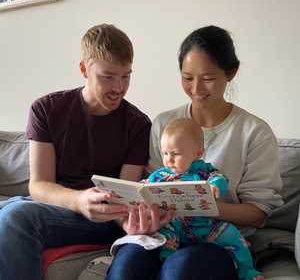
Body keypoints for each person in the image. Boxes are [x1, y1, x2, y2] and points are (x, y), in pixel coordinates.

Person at [108, 25, 283, 280]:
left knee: (179, 270)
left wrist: (202, 205)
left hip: (218, 240)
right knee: (126, 266)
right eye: (187, 78)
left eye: (208, 78)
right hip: (165, 232)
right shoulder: (164, 124)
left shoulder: (254, 132)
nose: (197, 89)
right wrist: (144, 214)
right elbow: (153, 187)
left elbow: (258, 213)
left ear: (231, 72)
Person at [0, 23, 170, 280]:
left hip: (105, 218)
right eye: (108, 76)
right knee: (10, 209)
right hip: (60, 206)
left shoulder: (138, 124)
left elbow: (126, 196)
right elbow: (39, 186)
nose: (119, 87)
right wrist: (79, 200)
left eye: (126, 76)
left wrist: (130, 224)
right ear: (84, 69)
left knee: (15, 216)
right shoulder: (46, 109)